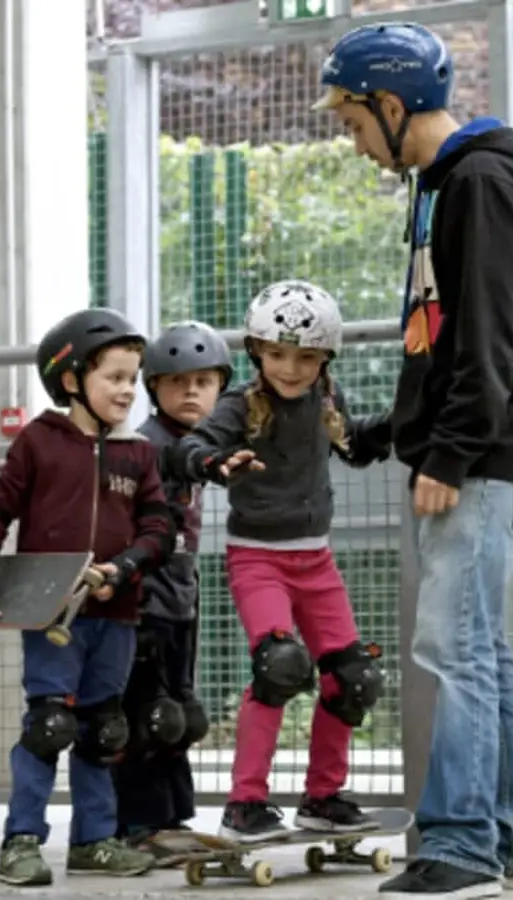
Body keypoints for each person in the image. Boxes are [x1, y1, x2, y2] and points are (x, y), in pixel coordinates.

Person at [313, 22, 513, 898]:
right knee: (478, 653)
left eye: (352, 123)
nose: (353, 142)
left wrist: (449, 452)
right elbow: (442, 342)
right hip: (474, 451)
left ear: (390, 103)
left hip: (484, 463)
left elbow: (491, 337)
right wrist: (390, 429)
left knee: (453, 651)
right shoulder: (441, 186)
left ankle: (458, 845)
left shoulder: (481, 182)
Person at [166, 279, 393, 843]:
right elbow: (188, 448)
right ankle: (245, 805)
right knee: (280, 665)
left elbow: (357, 448)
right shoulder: (241, 405)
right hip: (258, 559)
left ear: (325, 359)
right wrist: (217, 462)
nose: (290, 368)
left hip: (315, 561)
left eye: (306, 357)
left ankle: (323, 797)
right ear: (256, 352)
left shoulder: (327, 402)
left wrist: (402, 418)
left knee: (352, 677)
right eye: (277, 354)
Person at [0, 307, 175, 887]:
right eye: (116, 377)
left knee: (104, 728)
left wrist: (123, 567)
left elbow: (159, 530)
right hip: (51, 611)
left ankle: (94, 841)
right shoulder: (39, 442)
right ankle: (21, 841)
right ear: (73, 378)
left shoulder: (139, 453)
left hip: (117, 611)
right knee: (50, 724)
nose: (129, 390)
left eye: (134, 378)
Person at [113, 320, 234, 847]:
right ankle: (138, 823)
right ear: (154, 387)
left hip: (181, 596)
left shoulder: (200, 442)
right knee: (149, 715)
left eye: (204, 382)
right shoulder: (147, 445)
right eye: (178, 381)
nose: (191, 391)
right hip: (143, 599)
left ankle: (171, 819)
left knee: (180, 715)